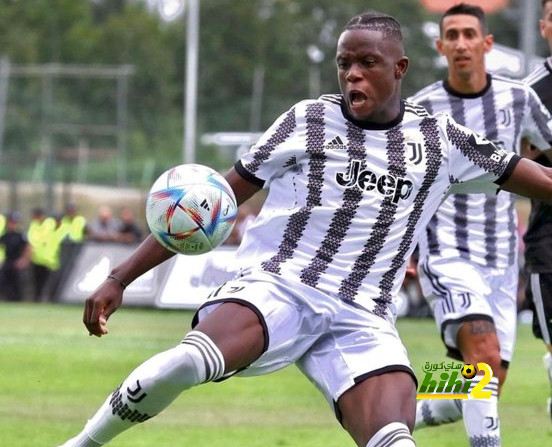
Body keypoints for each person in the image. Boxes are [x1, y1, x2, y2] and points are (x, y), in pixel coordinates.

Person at [56, 11, 552, 447]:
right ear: (441, 47)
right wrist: (120, 276)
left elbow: (539, 178)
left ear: (399, 68)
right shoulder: (309, 121)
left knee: (480, 379)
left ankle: (426, 408)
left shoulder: (471, 122)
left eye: (367, 64)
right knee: (189, 361)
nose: (352, 75)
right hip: (296, 284)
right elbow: (210, 205)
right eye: (344, 64)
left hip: (384, 306)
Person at [407, 3, 552, 444]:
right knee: (484, 356)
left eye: (470, 34)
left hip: (503, 261)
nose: (461, 43)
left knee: (485, 382)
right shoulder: (420, 111)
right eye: (452, 35)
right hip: (447, 251)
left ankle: (396, 408)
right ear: (441, 46)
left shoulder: (518, 99)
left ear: (486, 43)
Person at [522, 0, 552, 420]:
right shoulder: (526, 94)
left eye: (469, 35)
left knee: (487, 363)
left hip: (499, 257)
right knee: (478, 363)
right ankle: (426, 404)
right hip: (544, 245)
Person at [0, 211, 31, 302]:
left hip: (17, 262)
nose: (12, 224)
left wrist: (24, 260)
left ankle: (17, 300)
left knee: (17, 283)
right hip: (7, 261)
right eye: (11, 222)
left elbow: (28, 247)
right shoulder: (5, 235)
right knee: (4, 281)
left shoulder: (21, 235)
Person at [27, 207, 56, 302]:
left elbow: (42, 239)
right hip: (36, 259)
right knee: (36, 282)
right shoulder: (34, 225)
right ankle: (37, 299)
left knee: (47, 282)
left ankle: (47, 299)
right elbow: (32, 240)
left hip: (49, 260)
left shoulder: (49, 223)